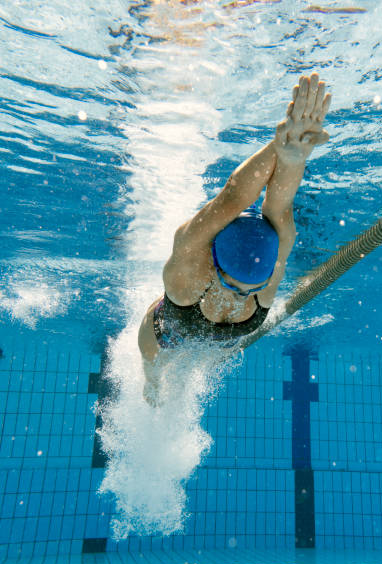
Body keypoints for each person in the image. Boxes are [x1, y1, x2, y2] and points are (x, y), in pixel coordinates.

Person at [138, 73, 331, 400]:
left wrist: (293, 155)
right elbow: (232, 199)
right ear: (213, 262)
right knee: (155, 377)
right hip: (168, 336)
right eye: (232, 283)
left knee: (212, 358)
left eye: (252, 287)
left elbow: (279, 206)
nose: (243, 296)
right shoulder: (187, 271)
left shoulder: (270, 269)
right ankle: (154, 384)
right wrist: (275, 145)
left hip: (219, 341)